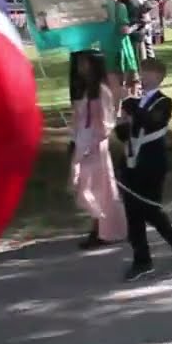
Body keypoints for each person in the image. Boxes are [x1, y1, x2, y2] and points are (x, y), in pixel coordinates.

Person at [115, 57, 172, 281]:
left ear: (158, 77)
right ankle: (142, 260)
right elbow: (125, 135)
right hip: (131, 162)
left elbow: (152, 122)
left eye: (147, 74)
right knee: (132, 213)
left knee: (149, 210)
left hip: (153, 163)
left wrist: (131, 105)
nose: (142, 77)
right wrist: (122, 122)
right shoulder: (134, 103)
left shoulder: (164, 102)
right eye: (142, 73)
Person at [69, 50, 127, 250]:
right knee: (87, 186)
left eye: (85, 64)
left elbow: (105, 123)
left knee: (98, 187)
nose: (81, 68)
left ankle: (103, 229)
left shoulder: (101, 92)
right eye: (80, 64)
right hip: (84, 142)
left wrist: (92, 142)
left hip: (94, 145)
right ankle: (100, 226)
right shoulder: (86, 91)